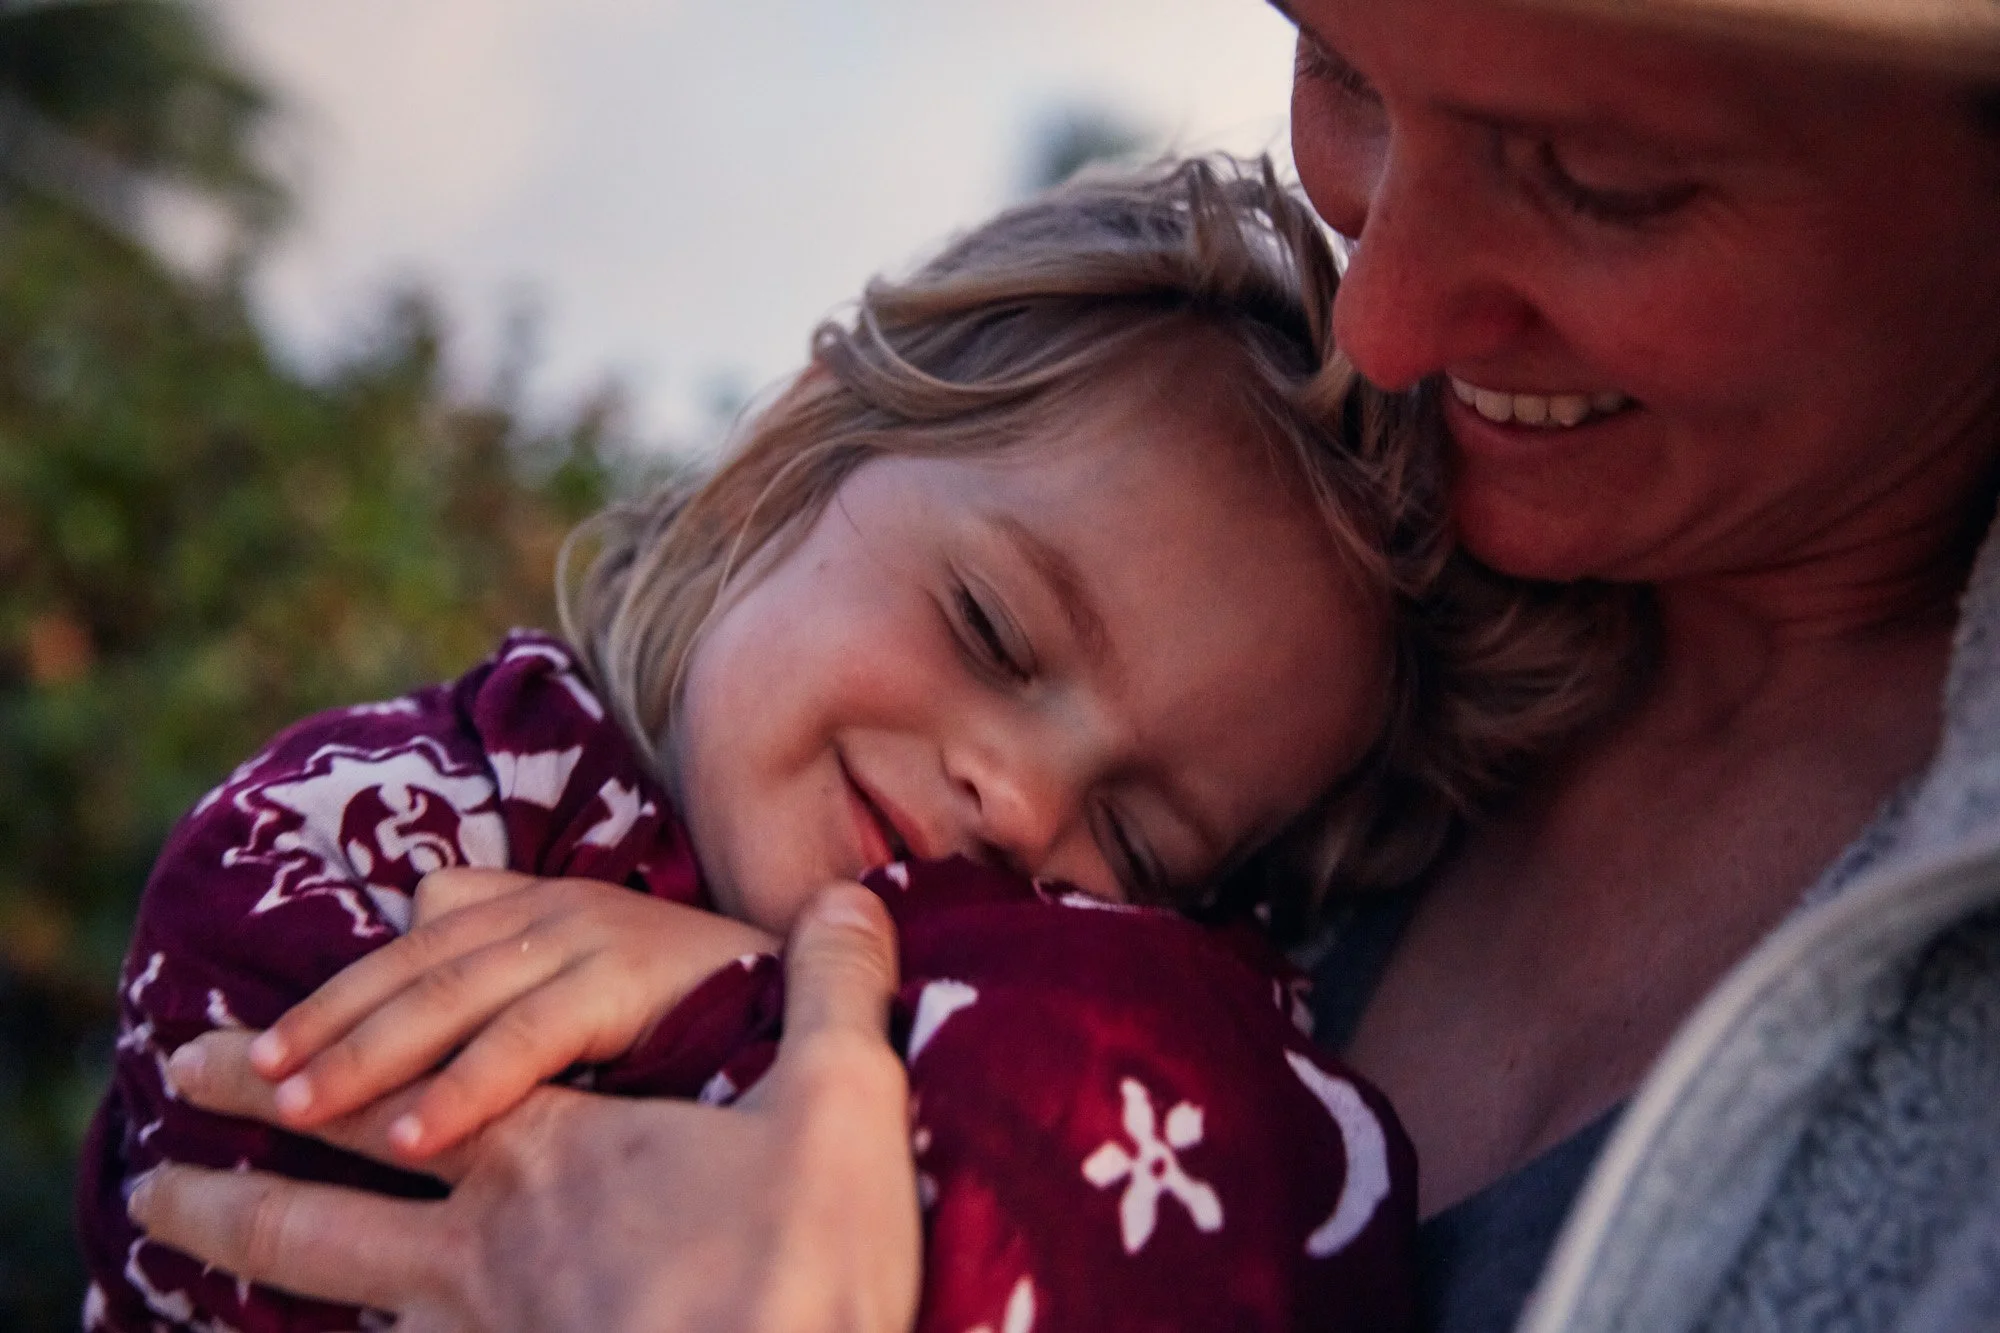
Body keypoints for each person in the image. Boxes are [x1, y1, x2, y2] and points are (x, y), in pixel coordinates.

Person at [123, 0, 2000, 1327]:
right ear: (804, 441)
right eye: (1337, 58)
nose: (1392, 314)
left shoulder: (1322, 707)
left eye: (1600, 176)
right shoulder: (437, 811)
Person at [88, 157, 1638, 1332]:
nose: (1020, 802)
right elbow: (274, 1115)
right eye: (990, 629)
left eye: (1146, 841)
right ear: (805, 451)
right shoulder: (397, 817)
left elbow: (1255, 1200)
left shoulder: (1183, 992)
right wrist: (823, 1039)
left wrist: (721, 990)